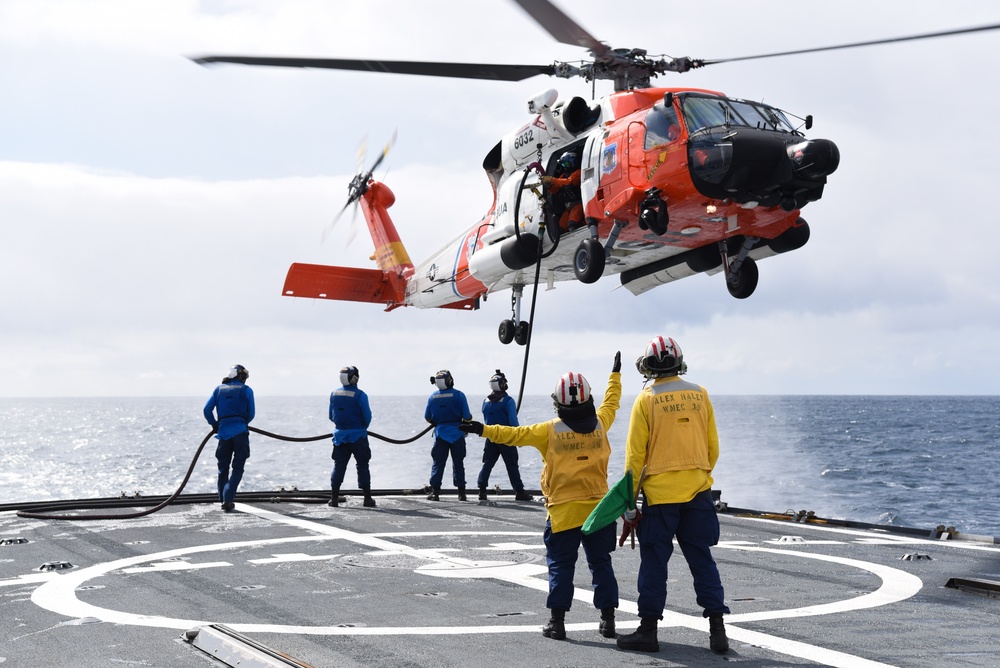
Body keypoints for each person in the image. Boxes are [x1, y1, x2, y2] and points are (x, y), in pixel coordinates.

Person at [460, 353, 622, 641]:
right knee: (601, 564)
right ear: (588, 399)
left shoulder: (549, 431)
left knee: (561, 566)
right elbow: (611, 403)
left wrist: (481, 430)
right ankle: (608, 621)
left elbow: (513, 435)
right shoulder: (601, 423)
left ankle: (557, 623)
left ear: (558, 402)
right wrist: (615, 376)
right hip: (599, 510)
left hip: (563, 513)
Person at [616, 336, 731, 655]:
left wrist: (630, 504)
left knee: (654, 563)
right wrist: (700, 478)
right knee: (702, 560)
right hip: (698, 494)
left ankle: (648, 631)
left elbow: (634, 458)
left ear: (649, 366)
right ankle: (718, 631)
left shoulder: (646, 398)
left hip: (660, 498)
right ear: (679, 361)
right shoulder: (700, 393)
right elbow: (713, 449)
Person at [203, 364, 255, 512]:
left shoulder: (219, 389)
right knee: (238, 467)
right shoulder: (246, 390)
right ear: (241, 376)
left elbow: (207, 410)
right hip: (240, 432)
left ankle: (223, 498)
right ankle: (228, 498)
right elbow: (251, 413)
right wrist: (241, 423)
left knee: (222, 467)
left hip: (223, 433)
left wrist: (215, 425)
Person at [476, 369, 532, 502]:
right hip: (506, 438)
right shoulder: (508, 401)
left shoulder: (486, 402)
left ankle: (482, 490)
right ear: (503, 385)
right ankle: (519, 491)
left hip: (491, 437)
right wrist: (519, 437)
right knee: (512, 465)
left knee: (487, 464)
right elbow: (513, 422)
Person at [329, 365, 376, 508]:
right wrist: (360, 427)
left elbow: (331, 416)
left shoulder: (334, 393)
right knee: (362, 465)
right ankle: (367, 498)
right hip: (358, 436)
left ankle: (334, 499)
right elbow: (367, 417)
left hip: (340, 437)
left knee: (339, 466)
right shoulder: (361, 395)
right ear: (354, 378)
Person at [424, 370, 472, 501]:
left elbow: (427, 417)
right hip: (457, 434)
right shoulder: (459, 395)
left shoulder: (432, 397)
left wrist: (439, 422)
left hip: (440, 435)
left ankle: (435, 493)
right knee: (458, 464)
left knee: (438, 464)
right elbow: (467, 417)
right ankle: (461, 493)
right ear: (449, 381)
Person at [541, 151, 584, 233]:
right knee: (560, 229)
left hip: (578, 204)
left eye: (566, 164)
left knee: (572, 224)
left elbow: (569, 183)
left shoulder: (578, 172)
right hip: (568, 207)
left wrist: (552, 179)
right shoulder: (564, 176)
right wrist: (549, 186)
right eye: (564, 164)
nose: (565, 166)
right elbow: (556, 190)